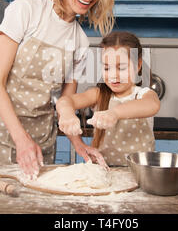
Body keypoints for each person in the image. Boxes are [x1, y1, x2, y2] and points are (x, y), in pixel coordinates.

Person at [0, 0, 115, 178]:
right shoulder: (26, 11)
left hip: (40, 135)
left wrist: (79, 144)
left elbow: (66, 103)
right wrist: (21, 139)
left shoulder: (80, 41)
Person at [56, 31, 161, 166]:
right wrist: (66, 113)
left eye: (121, 68)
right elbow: (65, 101)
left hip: (138, 174)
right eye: (106, 68)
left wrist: (114, 113)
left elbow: (152, 105)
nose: (113, 75)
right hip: (103, 171)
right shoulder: (98, 94)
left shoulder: (143, 94)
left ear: (138, 65)